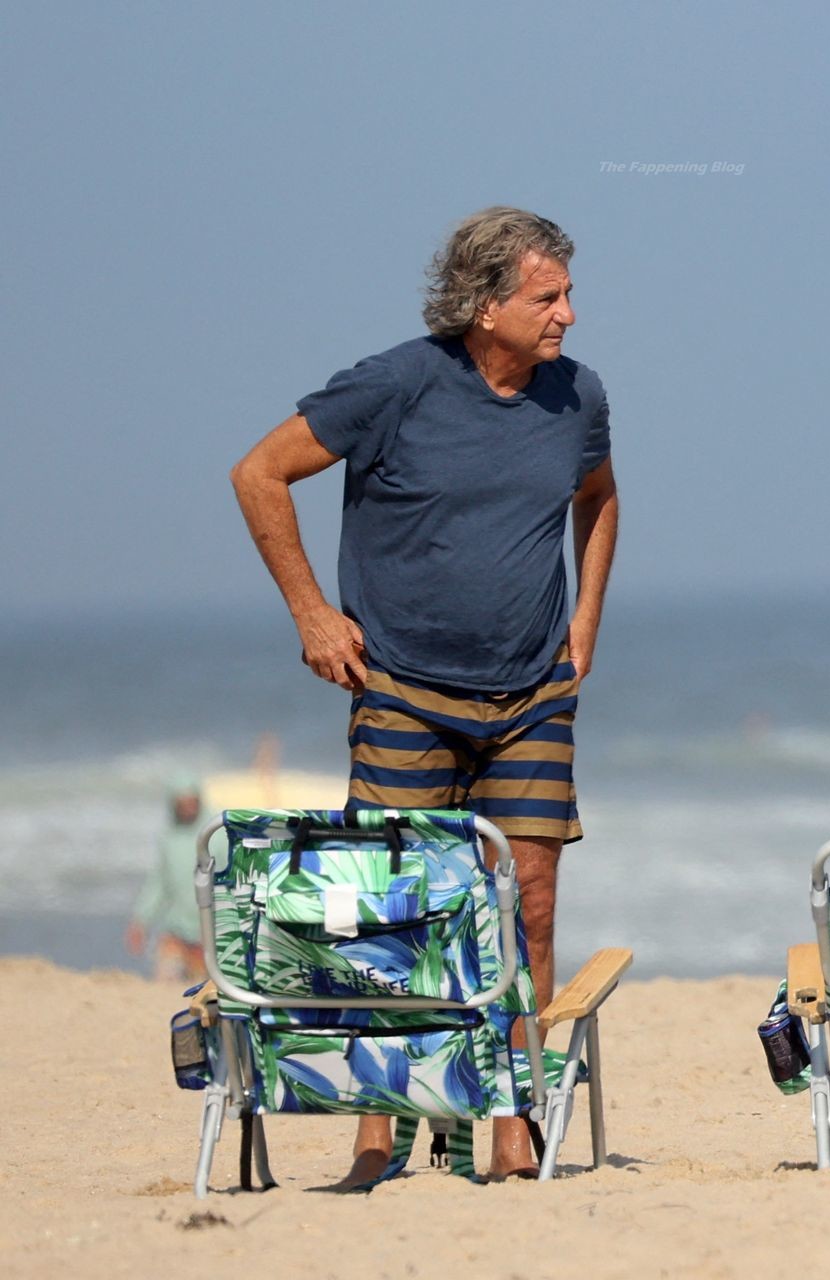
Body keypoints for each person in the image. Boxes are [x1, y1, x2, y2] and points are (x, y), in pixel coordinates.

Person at [230, 206, 619, 1182]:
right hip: (402, 689)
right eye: (549, 296)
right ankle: (378, 1128)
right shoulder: (395, 385)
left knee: (530, 908)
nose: (569, 313)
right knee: (392, 911)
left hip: (533, 694)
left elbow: (600, 496)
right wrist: (313, 614)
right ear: (486, 306)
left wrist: (585, 620)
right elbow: (259, 473)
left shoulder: (577, 395)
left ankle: (511, 1121)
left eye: (568, 293)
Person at [126, 775, 208, 984]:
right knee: (165, 981)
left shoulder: (216, 833)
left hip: (211, 935)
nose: (188, 808)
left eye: (192, 802)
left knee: (204, 990)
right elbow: (158, 883)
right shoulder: (168, 837)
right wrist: (141, 920)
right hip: (176, 931)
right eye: (182, 803)